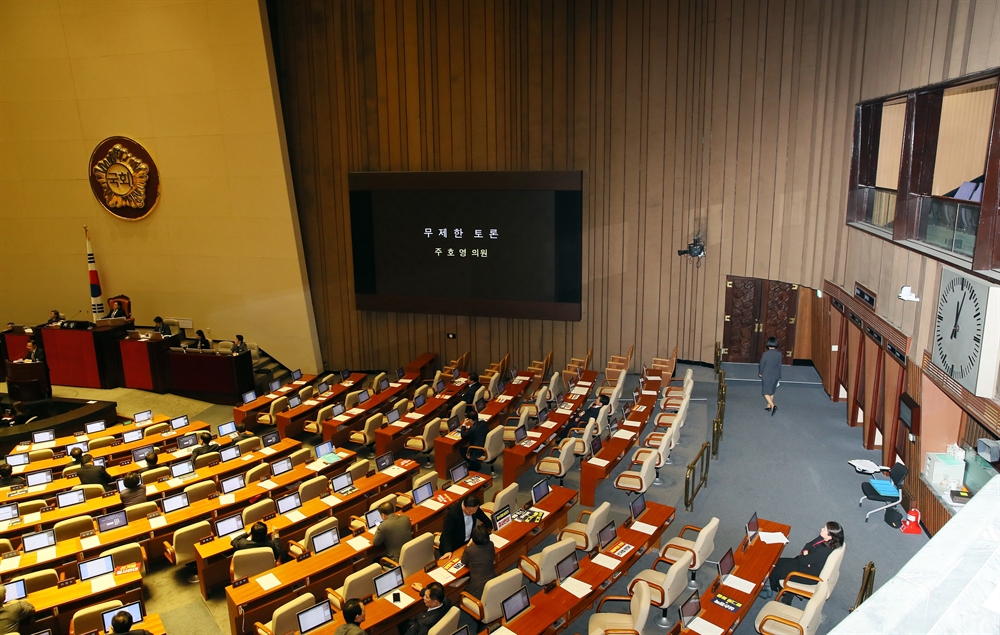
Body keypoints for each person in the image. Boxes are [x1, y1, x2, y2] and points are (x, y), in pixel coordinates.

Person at [764, 521, 845, 603]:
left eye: (824, 529)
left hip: (808, 574)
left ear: (830, 536)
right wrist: (806, 553)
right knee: (776, 562)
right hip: (806, 565)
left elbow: (803, 560)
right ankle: (787, 593)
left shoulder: (823, 550)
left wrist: (806, 554)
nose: (822, 529)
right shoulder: (824, 539)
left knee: (776, 570)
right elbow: (808, 545)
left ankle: (782, 592)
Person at [438, 494, 491, 559]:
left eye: (474, 512)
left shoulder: (474, 507)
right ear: (464, 506)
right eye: (469, 511)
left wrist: (491, 527)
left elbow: (484, 518)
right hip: (454, 545)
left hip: (467, 543)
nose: (472, 513)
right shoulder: (453, 514)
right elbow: (447, 533)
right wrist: (448, 551)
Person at [461, 523, 496, 599]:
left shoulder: (469, 550)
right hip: (492, 580)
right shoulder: (490, 545)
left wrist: (468, 545)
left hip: (477, 587)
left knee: (462, 595)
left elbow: (463, 561)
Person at [758, 336, 782, 416]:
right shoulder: (779, 354)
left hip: (767, 374)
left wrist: (760, 373)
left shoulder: (765, 354)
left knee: (765, 392)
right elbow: (779, 365)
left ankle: (772, 406)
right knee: (772, 390)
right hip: (776, 374)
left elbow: (762, 364)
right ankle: (768, 406)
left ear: (768, 344)